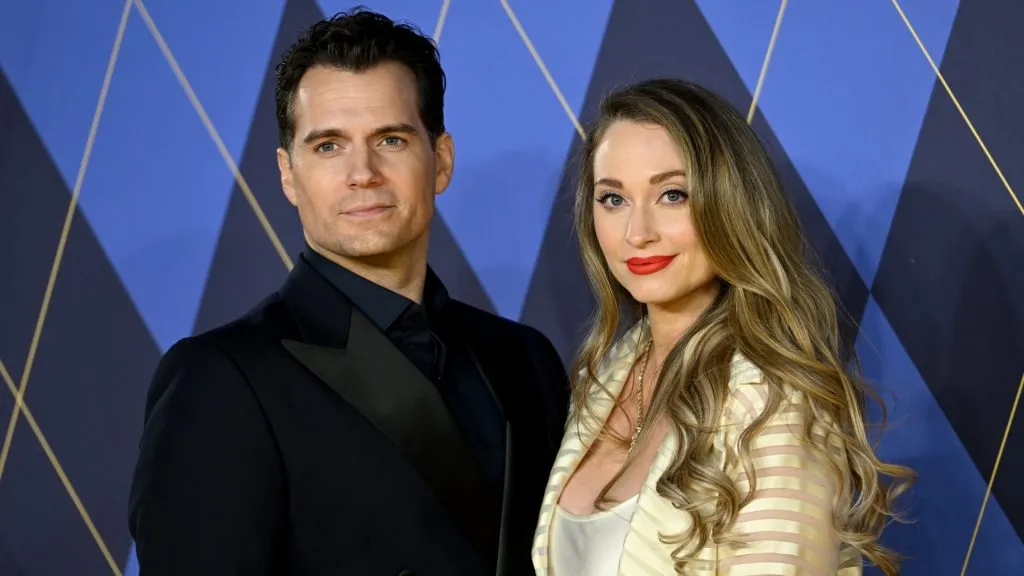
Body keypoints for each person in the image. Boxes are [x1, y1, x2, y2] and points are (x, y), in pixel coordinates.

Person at [128, 8, 569, 575]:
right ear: (288, 175)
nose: (363, 172)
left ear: (441, 161)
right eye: (328, 146)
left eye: (391, 139)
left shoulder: (524, 358)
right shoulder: (219, 379)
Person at [531, 79, 915, 575]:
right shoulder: (606, 377)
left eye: (672, 195)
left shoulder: (772, 400)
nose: (637, 233)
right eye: (613, 199)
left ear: (730, 204)